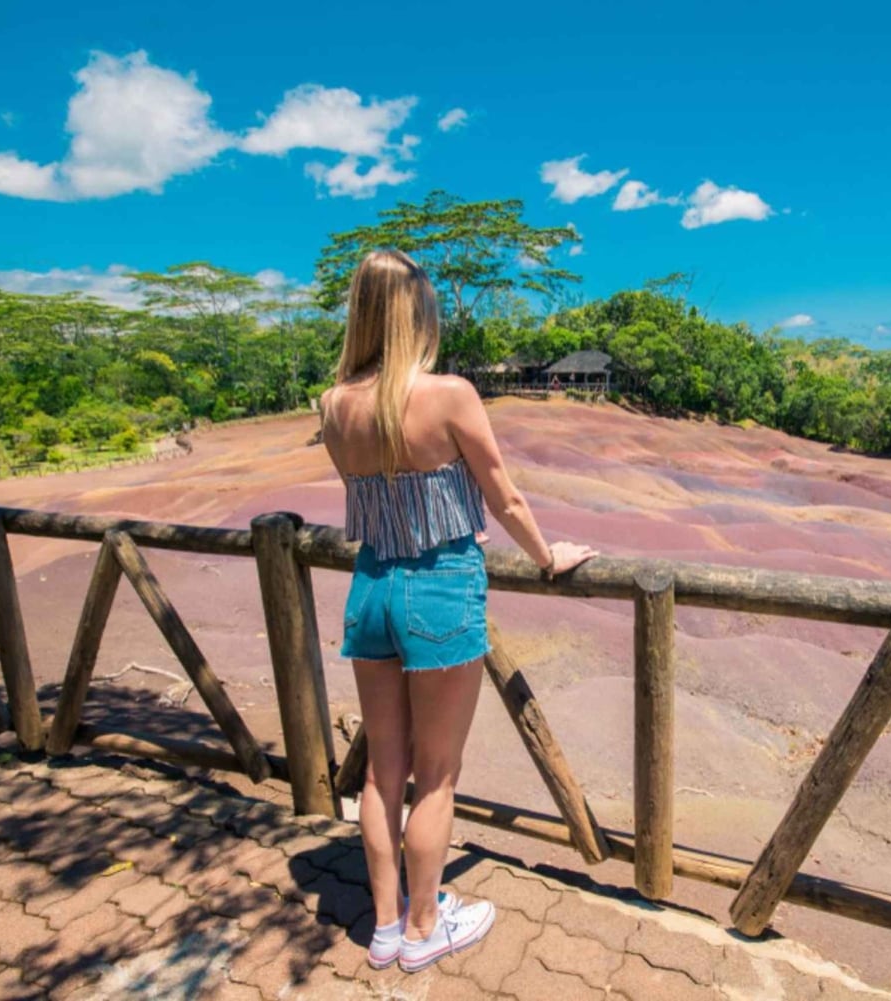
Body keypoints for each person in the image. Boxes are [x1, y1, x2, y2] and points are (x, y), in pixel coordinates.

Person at [319, 249, 598, 973]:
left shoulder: (334, 404)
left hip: (370, 589)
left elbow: (370, 493)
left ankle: (385, 927)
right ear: (416, 312)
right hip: (439, 586)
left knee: (383, 774)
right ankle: (423, 930)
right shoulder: (449, 395)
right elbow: (504, 495)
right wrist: (547, 555)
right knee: (436, 775)